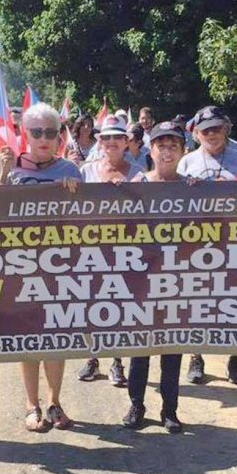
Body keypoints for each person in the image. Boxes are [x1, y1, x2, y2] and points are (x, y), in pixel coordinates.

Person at [0, 102, 81, 432]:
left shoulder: (70, 171)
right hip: (22, 268)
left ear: (59, 135)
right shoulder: (12, 169)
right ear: (23, 133)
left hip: (60, 268)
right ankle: (32, 405)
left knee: (56, 339)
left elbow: (90, 220)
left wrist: (77, 195)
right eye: (37, 132)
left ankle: (55, 402)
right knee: (28, 339)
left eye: (50, 132)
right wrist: (3, 174)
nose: (44, 139)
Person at [176, 105, 237, 386]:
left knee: (234, 299)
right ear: (197, 134)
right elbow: (175, 202)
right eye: (207, 130)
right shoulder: (187, 162)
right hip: (197, 241)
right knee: (197, 299)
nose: (213, 134)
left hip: (233, 239)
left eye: (217, 128)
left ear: (226, 129)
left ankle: (234, 358)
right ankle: (196, 356)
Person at [123, 121, 190, 433]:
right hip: (141, 279)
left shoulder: (194, 188)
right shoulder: (136, 183)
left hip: (178, 281)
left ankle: (170, 410)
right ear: (151, 150)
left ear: (182, 151)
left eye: (173, 145)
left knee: (173, 348)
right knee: (140, 348)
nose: (167, 150)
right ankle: (136, 405)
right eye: (161, 145)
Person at [76, 114, 142, 386]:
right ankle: (93, 358)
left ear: (127, 142)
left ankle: (117, 362)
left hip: (126, 250)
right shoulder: (86, 170)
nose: (111, 142)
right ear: (99, 141)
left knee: (121, 308)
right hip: (92, 249)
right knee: (92, 306)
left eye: (118, 137)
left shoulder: (139, 173)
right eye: (106, 137)